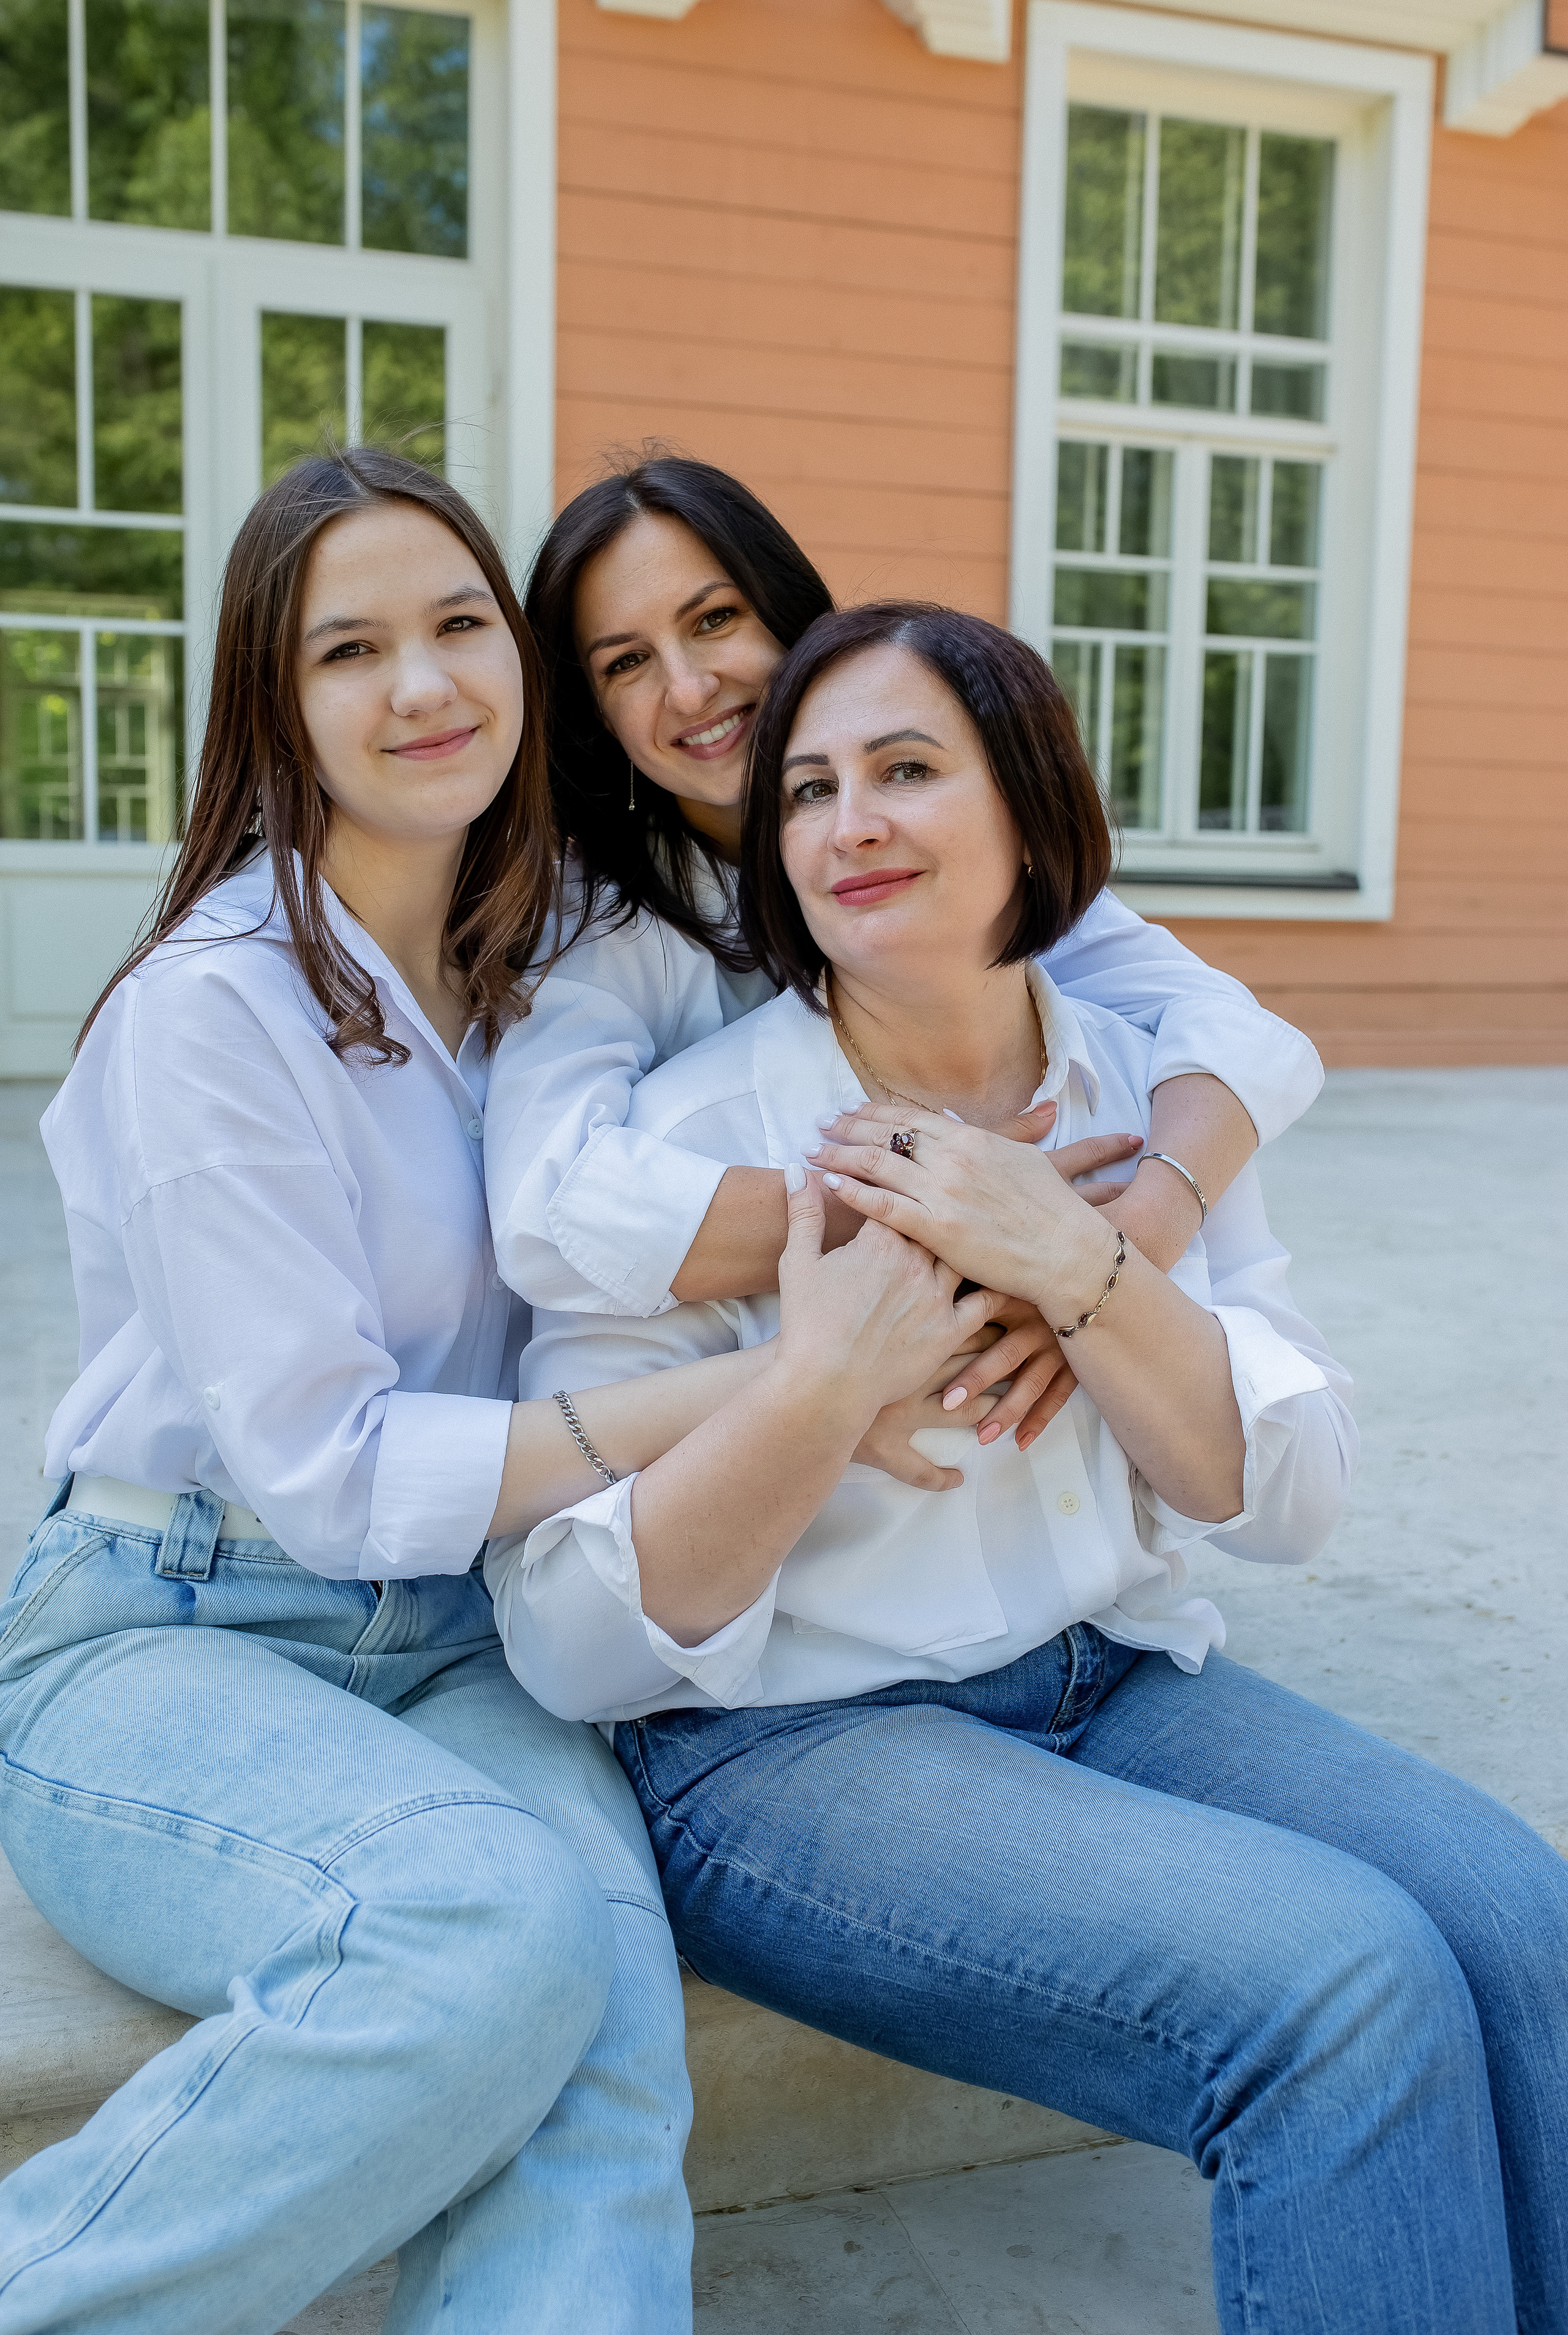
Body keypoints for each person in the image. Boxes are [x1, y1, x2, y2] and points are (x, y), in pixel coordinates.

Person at [489, 604, 1568, 2335]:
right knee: (1342, 1987)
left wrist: (1082, 1267)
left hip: (1107, 1677)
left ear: (1032, 811)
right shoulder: (690, 1150)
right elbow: (571, 1642)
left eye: (908, 771)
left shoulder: (1151, 1102)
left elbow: (1281, 1496)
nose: (851, 823)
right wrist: (826, 1378)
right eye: (811, 790)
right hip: (787, 1747)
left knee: (1518, 1919)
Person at [0, 448, 867, 2335]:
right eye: (351, 651)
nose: (425, 686)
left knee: (609, 2047)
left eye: (464, 624)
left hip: (467, 1636)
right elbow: (325, 1474)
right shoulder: (209, 1012)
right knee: (487, 1929)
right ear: (272, 703)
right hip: (172, 1628)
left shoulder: (561, 955)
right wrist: (790, 1386)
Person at [484, 454, 1324, 1466]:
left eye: (716, 620)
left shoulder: (958, 866)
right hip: (748, 1409)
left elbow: (1235, 1032)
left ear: (793, 619)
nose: (691, 685)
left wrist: (1128, 1240)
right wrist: (942, 1211)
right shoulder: (599, 922)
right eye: (625, 662)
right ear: (594, 716)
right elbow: (548, 1212)